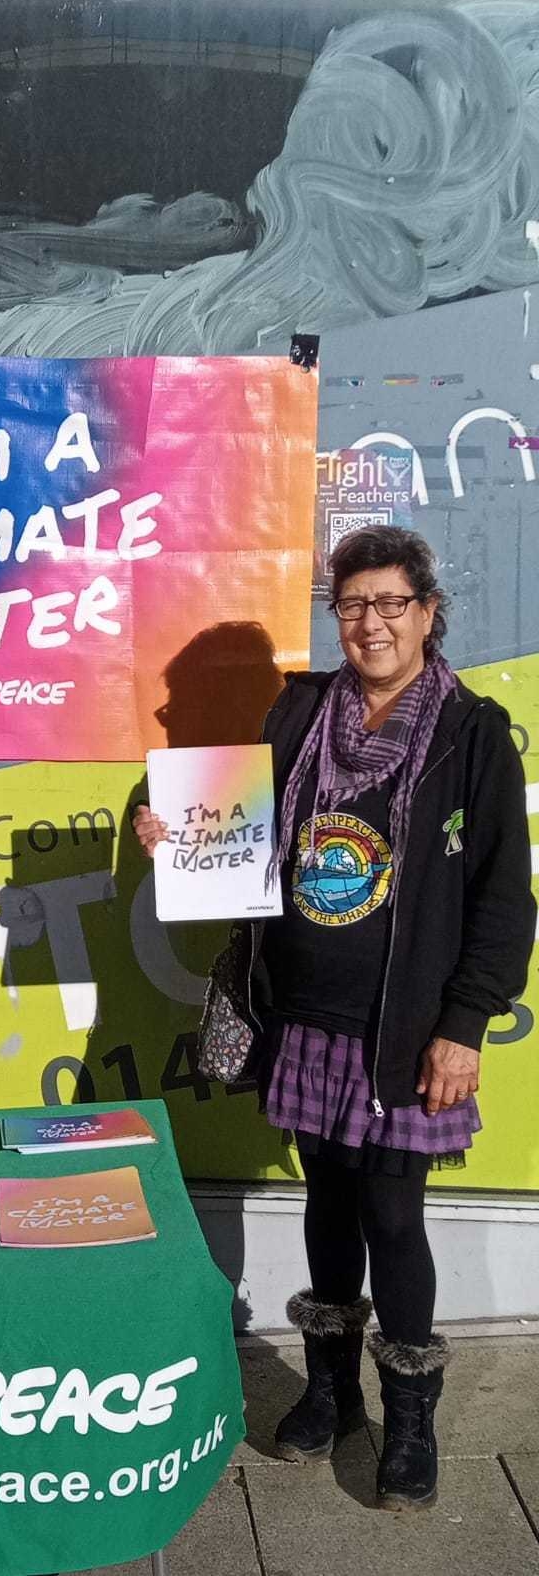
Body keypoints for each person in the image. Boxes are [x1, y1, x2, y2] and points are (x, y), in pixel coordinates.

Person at [133, 527, 534, 1512]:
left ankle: (408, 1422)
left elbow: (503, 898)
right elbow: (244, 828)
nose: (372, 623)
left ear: (429, 614)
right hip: (304, 1014)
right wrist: (169, 831)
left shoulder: (470, 734)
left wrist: (464, 1027)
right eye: (353, 604)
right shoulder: (301, 708)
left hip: (404, 1030)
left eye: (393, 603)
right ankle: (326, 1393)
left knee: (393, 1215)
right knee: (326, 1205)